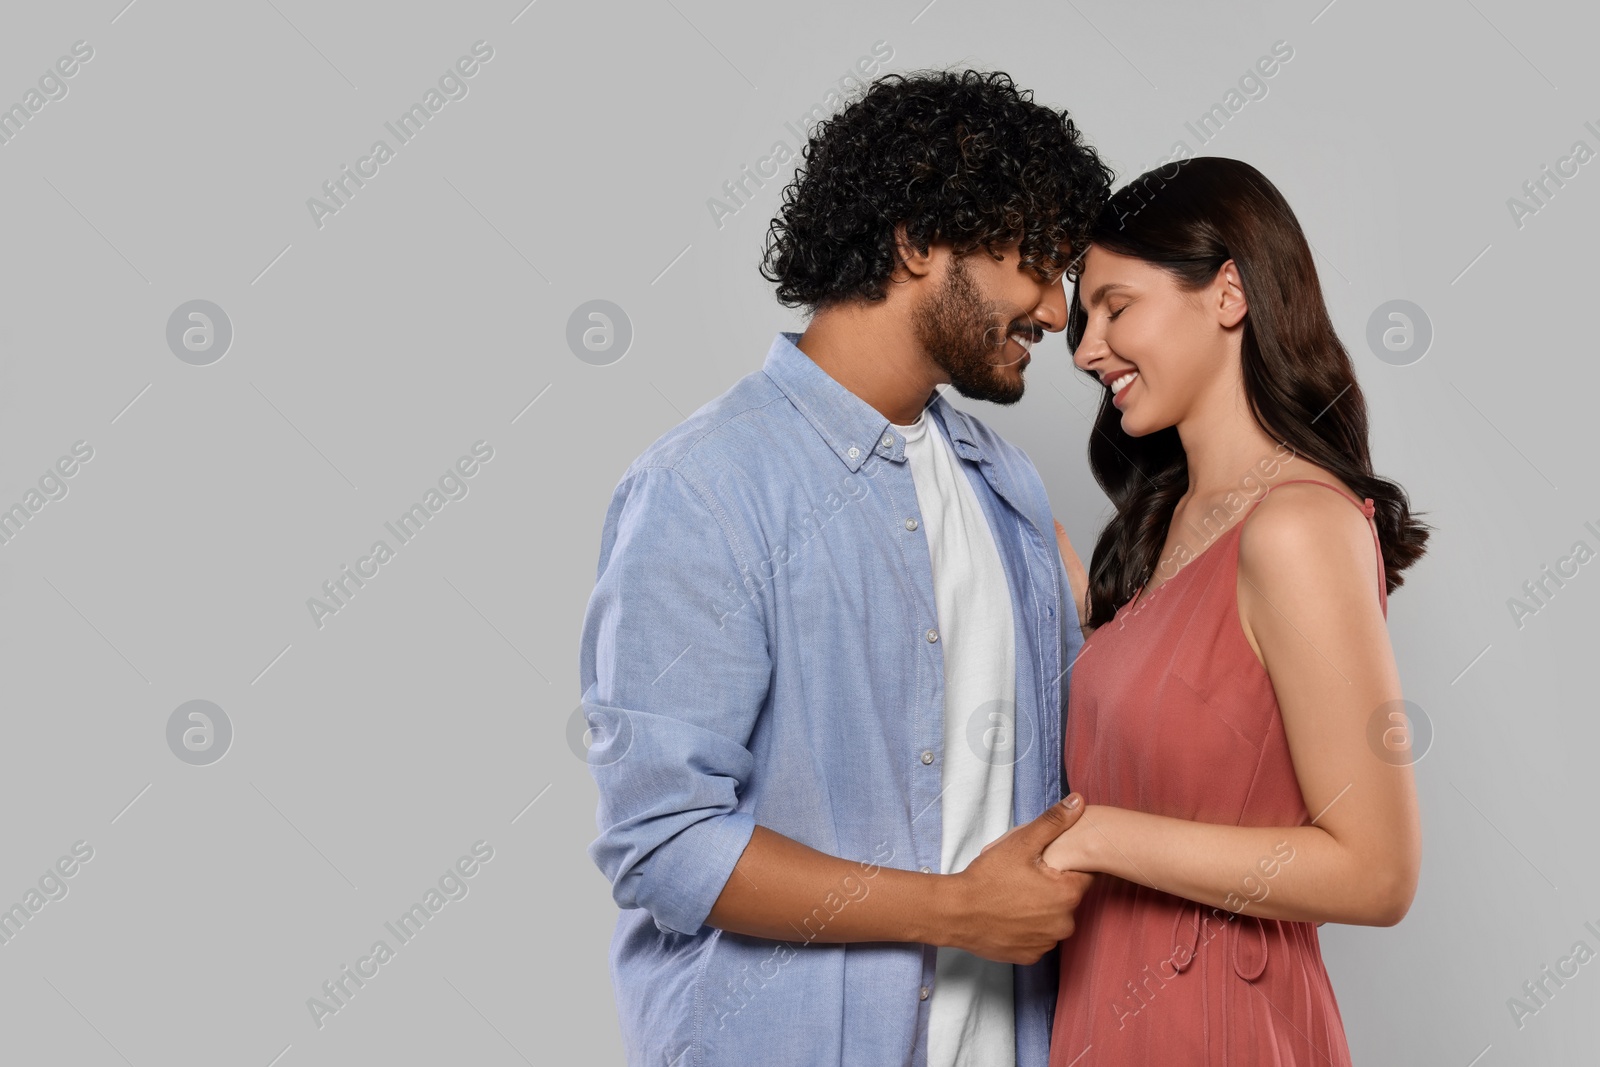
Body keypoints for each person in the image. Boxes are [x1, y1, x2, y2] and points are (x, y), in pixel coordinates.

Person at [577, 70, 1113, 1066]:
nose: (1055, 307)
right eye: (1035, 261)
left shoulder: (1005, 485)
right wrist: (953, 910)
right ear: (914, 241)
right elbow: (665, 841)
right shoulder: (708, 486)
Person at [1042, 156, 1429, 1064]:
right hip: (1104, 1021)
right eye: (1082, 318)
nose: (1085, 347)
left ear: (1227, 294)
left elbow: (1377, 871)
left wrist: (1095, 834)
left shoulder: (1297, 525)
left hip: (1217, 1027)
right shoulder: (1165, 528)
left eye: (1114, 307)